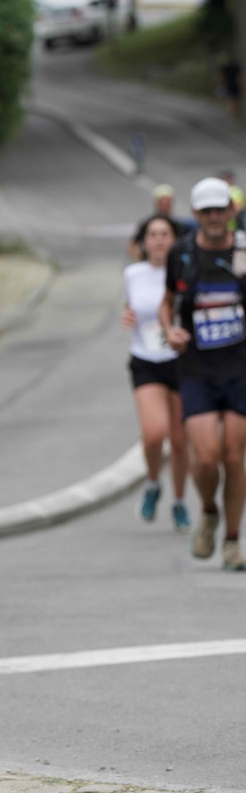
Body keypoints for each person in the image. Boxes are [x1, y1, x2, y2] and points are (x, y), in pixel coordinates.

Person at [159, 177, 246, 571]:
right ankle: (209, 511)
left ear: (230, 211)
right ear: (195, 213)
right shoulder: (182, 253)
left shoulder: (243, 251)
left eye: (219, 210)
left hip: (239, 368)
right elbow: (166, 301)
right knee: (207, 456)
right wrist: (169, 330)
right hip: (196, 370)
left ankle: (232, 541)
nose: (213, 217)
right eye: (206, 211)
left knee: (233, 456)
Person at [121, 214, 190, 530]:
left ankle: (179, 502)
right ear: (143, 242)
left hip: (181, 361)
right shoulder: (133, 274)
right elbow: (131, 307)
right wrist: (127, 316)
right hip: (146, 359)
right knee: (153, 434)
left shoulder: (185, 271)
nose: (159, 240)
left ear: (175, 240)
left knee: (179, 441)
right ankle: (152, 483)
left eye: (165, 234)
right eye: (153, 234)